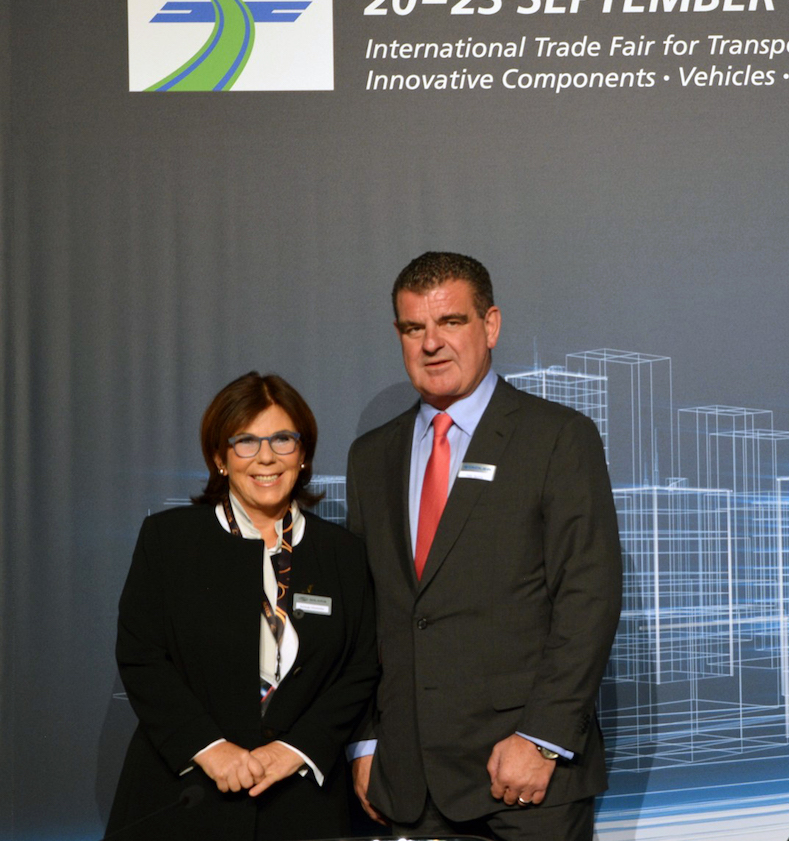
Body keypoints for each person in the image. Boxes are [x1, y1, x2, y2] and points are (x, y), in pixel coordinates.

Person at [346, 251, 622, 841]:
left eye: (451, 322)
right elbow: (366, 615)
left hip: (525, 782)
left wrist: (542, 741)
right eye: (414, 328)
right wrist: (365, 741)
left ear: (490, 325)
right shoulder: (371, 457)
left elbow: (589, 598)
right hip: (408, 785)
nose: (431, 343)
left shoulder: (557, 437)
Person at [107, 372, 379, 841]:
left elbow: (360, 668)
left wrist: (296, 749)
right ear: (220, 457)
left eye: (282, 439)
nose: (266, 457)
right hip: (184, 795)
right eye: (246, 441)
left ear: (303, 453)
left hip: (300, 802)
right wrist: (210, 748)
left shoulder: (344, 553)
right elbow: (142, 657)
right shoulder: (169, 541)